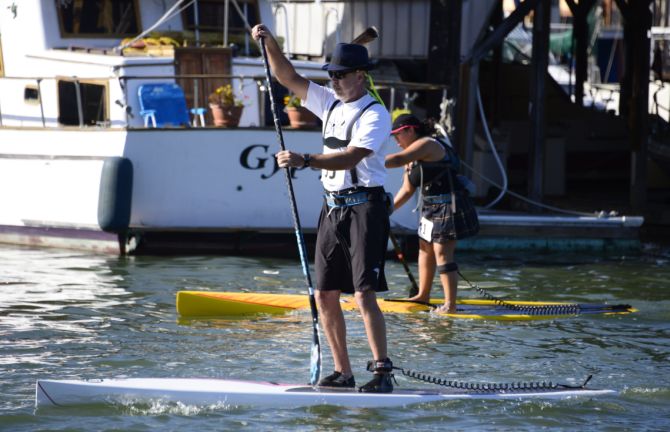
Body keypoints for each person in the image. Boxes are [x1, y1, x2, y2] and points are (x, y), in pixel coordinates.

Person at [252, 24, 394, 393]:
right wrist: (270, 43)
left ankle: (382, 372)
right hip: (333, 209)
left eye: (341, 75)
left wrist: (306, 160)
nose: (334, 81)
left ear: (361, 76)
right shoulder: (328, 101)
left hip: (366, 208)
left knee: (363, 293)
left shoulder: (375, 114)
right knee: (324, 294)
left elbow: (351, 157)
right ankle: (343, 373)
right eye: (331, 75)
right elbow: (286, 76)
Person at [385, 114, 479, 313]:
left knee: (442, 254)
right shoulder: (410, 155)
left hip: (448, 206)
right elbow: (407, 189)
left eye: (398, 135)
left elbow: (396, 159)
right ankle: (423, 295)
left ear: (411, 130)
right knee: (424, 249)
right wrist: (387, 210)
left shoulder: (427, 144)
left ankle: (450, 305)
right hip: (429, 208)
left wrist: (359, 159)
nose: (396, 141)